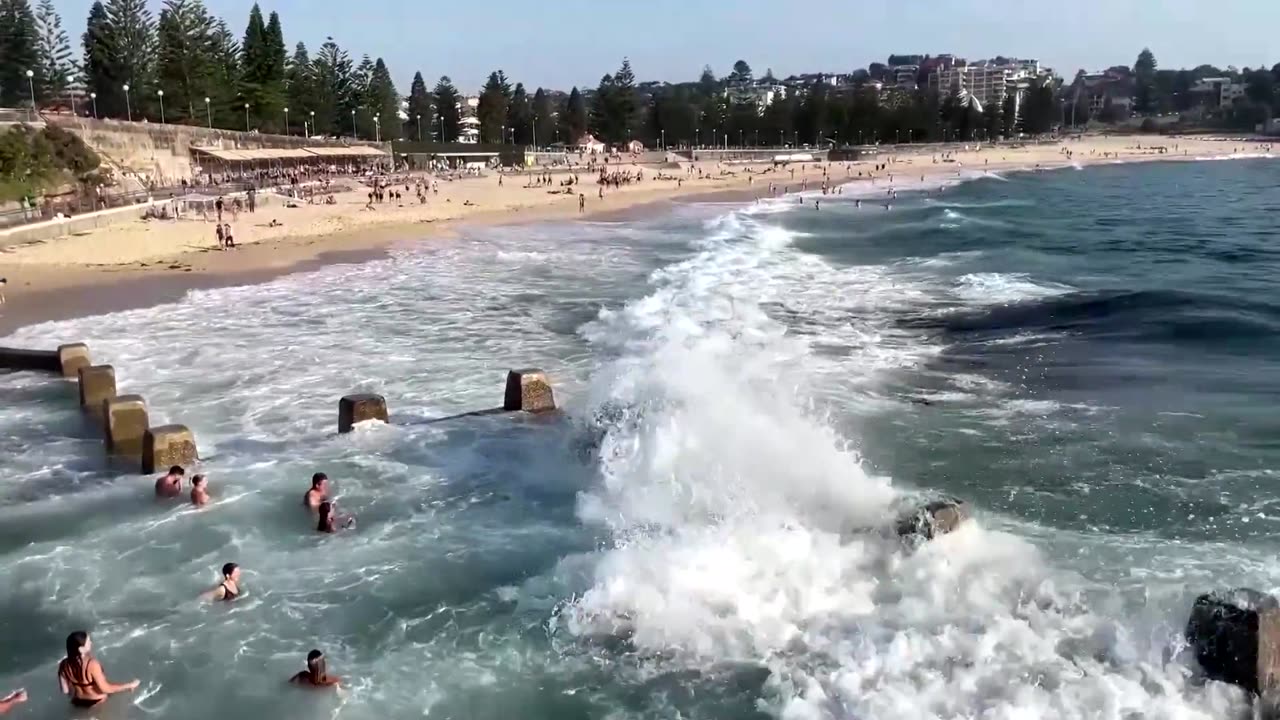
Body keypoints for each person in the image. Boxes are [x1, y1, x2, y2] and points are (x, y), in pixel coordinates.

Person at [57, 631, 140, 709]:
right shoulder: (92, 664)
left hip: (77, 702)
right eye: (88, 642)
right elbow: (106, 689)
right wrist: (129, 685)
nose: (91, 643)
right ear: (81, 649)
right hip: (97, 702)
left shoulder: (63, 664)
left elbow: (65, 690)